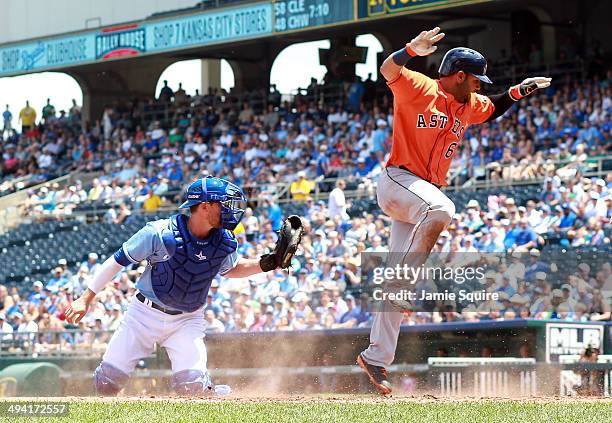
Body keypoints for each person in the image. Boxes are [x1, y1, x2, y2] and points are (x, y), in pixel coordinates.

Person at [356, 26, 551, 395]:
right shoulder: (420, 87)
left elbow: (493, 107)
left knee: (395, 275)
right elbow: (388, 71)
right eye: (476, 79)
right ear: (459, 76)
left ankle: (376, 358)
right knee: (442, 210)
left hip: (419, 199)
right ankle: (403, 283)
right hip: (399, 180)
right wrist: (410, 50)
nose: (479, 85)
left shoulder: (469, 104)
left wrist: (521, 90)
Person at [65, 176, 296, 396]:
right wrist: (86, 297)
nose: (231, 209)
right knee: (106, 384)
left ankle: (207, 390)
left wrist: (268, 263)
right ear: (204, 206)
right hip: (143, 314)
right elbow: (117, 261)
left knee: (191, 388)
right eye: (224, 204)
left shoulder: (224, 241)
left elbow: (230, 269)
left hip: (187, 319)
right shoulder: (159, 232)